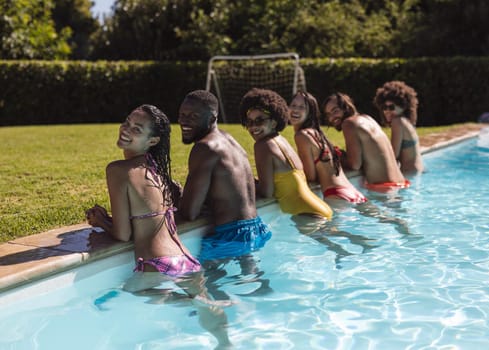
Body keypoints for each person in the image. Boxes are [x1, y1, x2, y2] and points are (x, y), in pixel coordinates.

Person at [85, 104, 232, 348]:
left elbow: (123, 235)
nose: (126, 129)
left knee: (126, 296)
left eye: (137, 128)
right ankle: (225, 341)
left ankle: (191, 303)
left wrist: (101, 220)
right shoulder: (157, 171)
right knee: (205, 306)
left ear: (152, 140)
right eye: (127, 122)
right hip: (186, 260)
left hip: (156, 263)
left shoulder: (118, 170)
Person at [178, 90, 272, 263]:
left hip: (232, 235)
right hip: (255, 227)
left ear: (212, 119)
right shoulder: (228, 138)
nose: (184, 120)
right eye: (182, 114)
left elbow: (189, 212)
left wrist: (176, 195)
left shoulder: (205, 148)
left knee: (199, 282)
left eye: (194, 116)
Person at [239, 88, 333, 220]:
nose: (254, 127)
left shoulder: (262, 146)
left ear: (274, 122)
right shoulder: (282, 141)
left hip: (309, 215)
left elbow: (267, 192)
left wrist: (245, 182)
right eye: (249, 122)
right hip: (320, 209)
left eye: (259, 120)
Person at [289, 90, 367, 204]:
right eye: (293, 105)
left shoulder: (302, 136)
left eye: (302, 107)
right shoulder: (317, 134)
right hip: (352, 191)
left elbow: (310, 176)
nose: (296, 109)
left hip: (336, 194)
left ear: (310, 113)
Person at [321, 92, 409, 192]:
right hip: (401, 183)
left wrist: (335, 156)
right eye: (328, 114)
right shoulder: (367, 118)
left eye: (335, 111)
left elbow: (355, 165)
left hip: (385, 189)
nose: (332, 117)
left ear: (346, 108)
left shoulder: (348, 123)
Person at [373, 81, 425, 175]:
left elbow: (393, 155)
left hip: (409, 174)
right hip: (417, 172)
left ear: (403, 106)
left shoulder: (397, 122)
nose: (387, 111)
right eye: (384, 107)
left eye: (391, 107)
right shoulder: (407, 122)